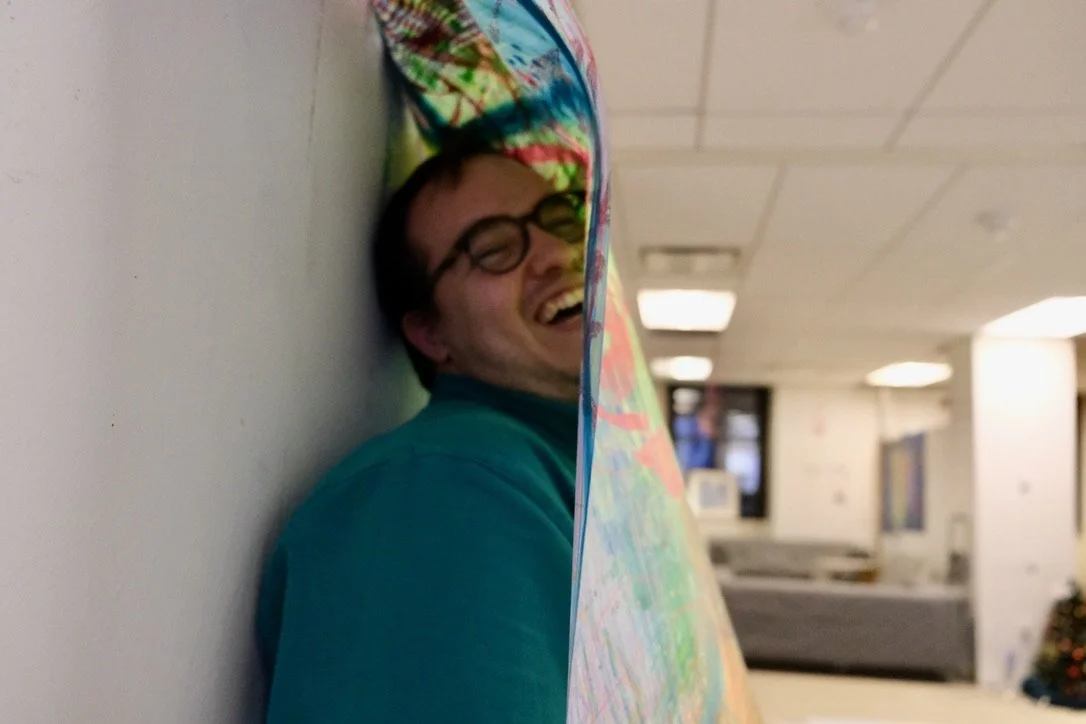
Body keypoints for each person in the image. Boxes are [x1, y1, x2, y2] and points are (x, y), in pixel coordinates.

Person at [256, 135, 586, 723]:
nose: (556, 253)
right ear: (432, 334)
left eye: (559, 219)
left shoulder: (575, 468)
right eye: (493, 249)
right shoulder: (446, 488)